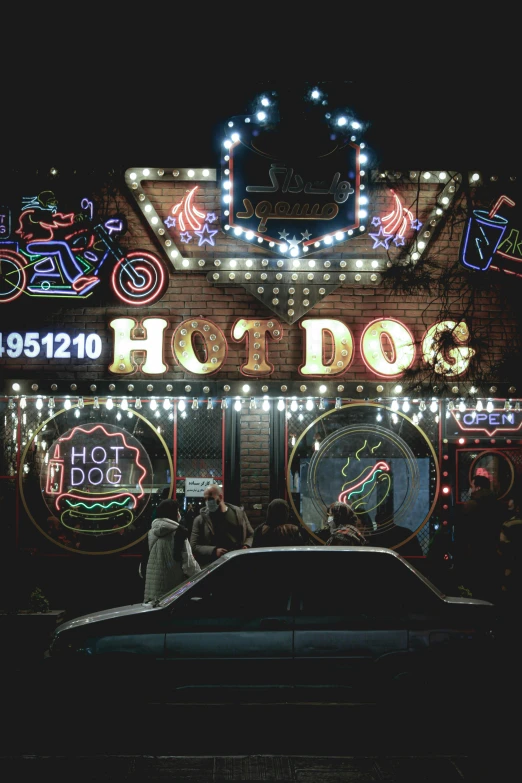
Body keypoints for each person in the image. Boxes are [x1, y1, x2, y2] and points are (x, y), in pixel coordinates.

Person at [457, 473, 504, 602]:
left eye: (471, 486)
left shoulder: (471, 505)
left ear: (477, 488)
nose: (470, 489)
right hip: (493, 554)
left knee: (475, 592)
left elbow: (463, 534)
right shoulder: (498, 504)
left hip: (474, 554)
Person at [143, 499, 200, 602]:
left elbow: (144, 564)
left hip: (152, 592)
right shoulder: (180, 533)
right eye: (177, 510)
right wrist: (201, 576)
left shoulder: (151, 533)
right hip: (172, 595)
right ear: (172, 513)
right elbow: (189, 566)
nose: (179, 514)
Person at [190, 484, 254, 566]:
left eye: (210, 499)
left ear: (220, 497)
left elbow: (251, 534)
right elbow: (194, 546)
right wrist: (214, 551)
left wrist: (246, 545)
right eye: (205, 499)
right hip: (214, 565)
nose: (207, 502)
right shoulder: (200, 520)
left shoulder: (238, 513)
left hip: (237, 561)